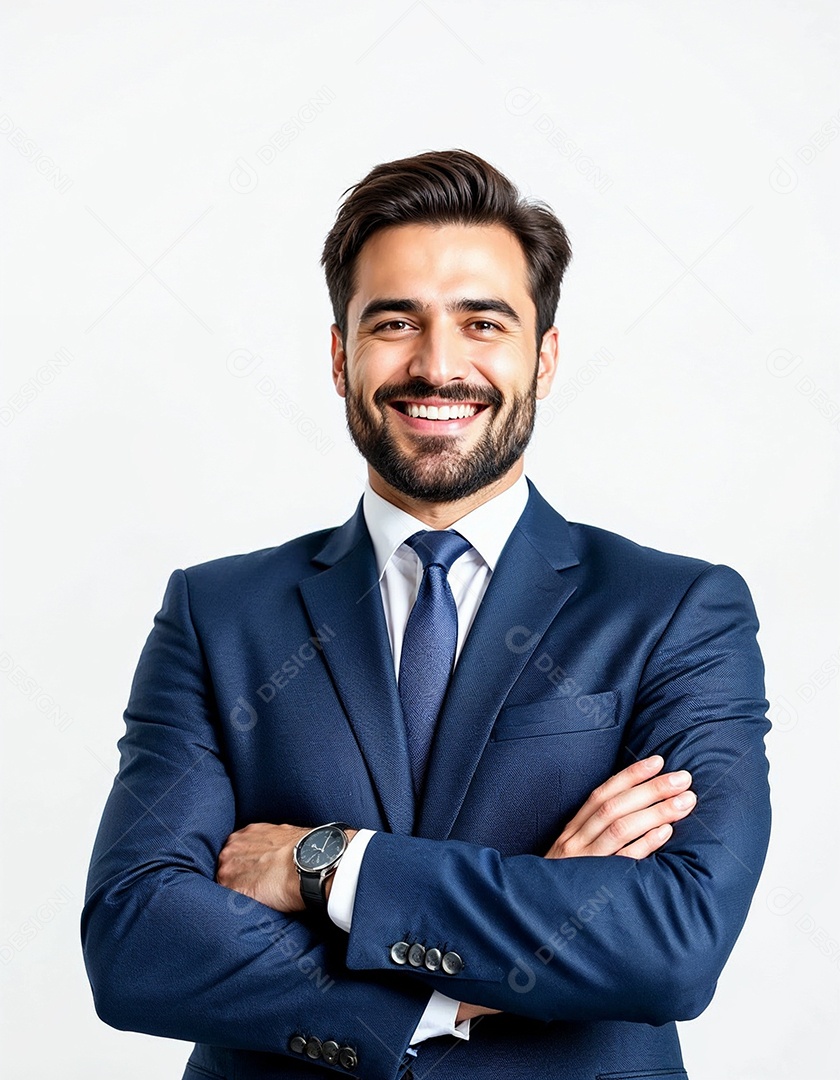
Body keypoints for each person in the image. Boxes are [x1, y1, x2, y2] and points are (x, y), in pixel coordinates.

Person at [81, 149, 772, 1080]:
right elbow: (137, 940)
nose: (438, 365)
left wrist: (332, 868)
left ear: (546, 355)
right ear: (340, 357)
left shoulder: (678, 611)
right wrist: (462, 987)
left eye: (483, 323)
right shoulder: (217, 613)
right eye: (394, 322)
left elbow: (675, 941)